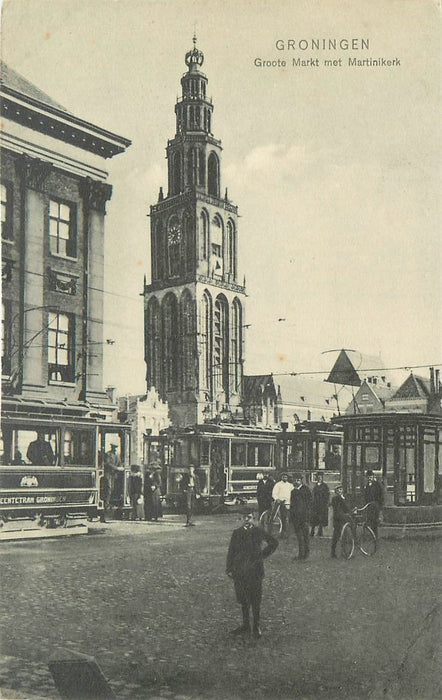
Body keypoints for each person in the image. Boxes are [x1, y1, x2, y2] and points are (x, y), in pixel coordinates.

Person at [226, 511, 278, 639]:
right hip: (240, 571)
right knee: (243, 599)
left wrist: (262, 555)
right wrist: (229, 567)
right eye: (244, 517)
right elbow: (231, 551)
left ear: (253, 519)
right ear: (241, 518)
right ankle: (245, 625)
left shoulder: (258, 531)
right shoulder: (237, 533)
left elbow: (273, 543)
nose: (247, 520)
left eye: (249, 517)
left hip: (255, 571)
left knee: (255, 599)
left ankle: (256, 626)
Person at [290, 477, 312, 560]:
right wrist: (292, 517)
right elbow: (292, 505)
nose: (296, 481)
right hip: (296, 518)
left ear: (301, 481)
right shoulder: (293, 492)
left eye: (298, 480)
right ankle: (301, 554)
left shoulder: (306, 490)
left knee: (305, 536)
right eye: (295, 480)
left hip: (304, 517)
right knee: (299, 537)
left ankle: (306, 554)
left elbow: (310, 503)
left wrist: (308, 515)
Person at [331, 485, 353, 558]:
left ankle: (346, 551)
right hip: (338, 519)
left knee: (345, 535)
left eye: (340, 489)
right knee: (336, 536)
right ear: (336, 492)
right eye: (338, 490)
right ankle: (333, 552)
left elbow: (348, 507)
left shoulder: (345, 498)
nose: (339, 491)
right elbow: (344, 508)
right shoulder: (335, 499)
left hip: (344, 519)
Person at [271, 473, 294, 538]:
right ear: (281, 477)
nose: (285, 478)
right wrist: (277, 499)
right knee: (283, 518)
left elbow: (293, 493)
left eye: (286, 477)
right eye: (283, 477)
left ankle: (289, 532)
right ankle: (283, 533)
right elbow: (274, 493)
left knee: (289, 518)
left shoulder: (290, 485)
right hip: (280, 503)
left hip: (289, 503)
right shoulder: (278, 485)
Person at [102, 443, 124, 511]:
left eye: (116, 448)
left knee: (112, 488)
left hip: (114, 475)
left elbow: (119, 463)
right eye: (114, 447)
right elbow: (107, 464)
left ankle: (110, 502)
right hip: (108, 473)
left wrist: (121, 467)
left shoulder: (117, 455)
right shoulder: (108, 454)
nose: (115, 449)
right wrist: (116, 468)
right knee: (108, 488)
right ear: (111, 447)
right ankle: (106, 503)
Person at [364, 470, 384, 539]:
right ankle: (371, 535)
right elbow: (366, 496)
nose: (369, 478)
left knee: (375, 521)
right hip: (369, 506)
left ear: (373, 477)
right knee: (370, 520)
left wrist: (379, 505)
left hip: (376, 505)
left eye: (371, 477)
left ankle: (375, 536)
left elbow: (381, 495)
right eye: (368, 477)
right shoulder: (367, 486)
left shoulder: (377, 485)